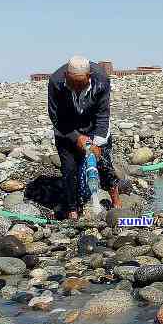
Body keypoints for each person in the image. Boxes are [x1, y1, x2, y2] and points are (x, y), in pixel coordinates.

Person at [48, 55, 122, 220]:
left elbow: (103, 115)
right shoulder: (56, 82)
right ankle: (73, 209)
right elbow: (55, 117)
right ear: (66, 76)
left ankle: (116, 201)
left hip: (93, 127)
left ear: (89, 77)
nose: (75, 88)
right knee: (69, 170)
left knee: (104, 165)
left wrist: (96, 143)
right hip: (66, 129)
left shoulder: (101, 80)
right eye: (72, 83)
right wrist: (76, 137)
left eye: (79, 84)